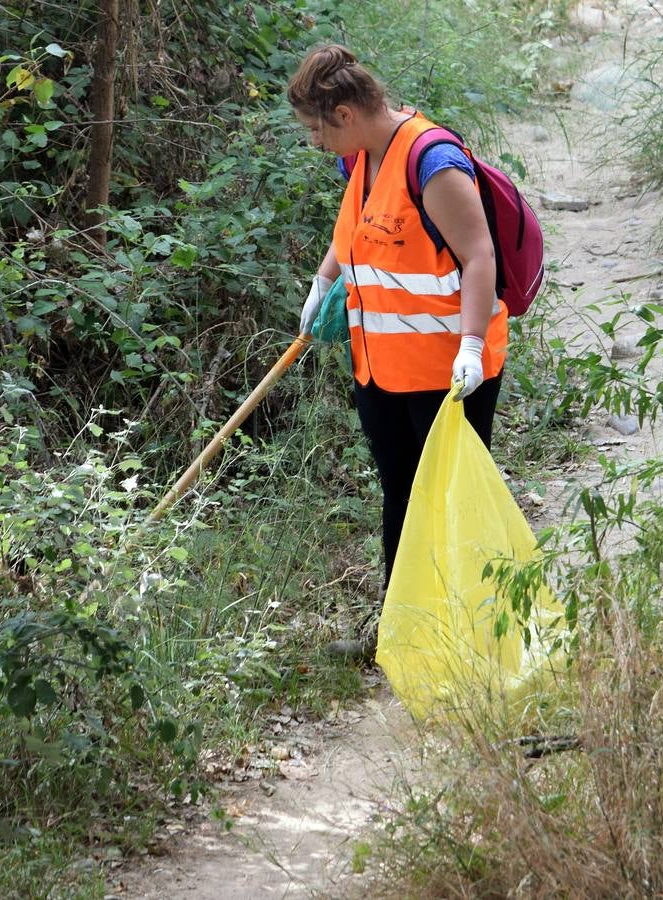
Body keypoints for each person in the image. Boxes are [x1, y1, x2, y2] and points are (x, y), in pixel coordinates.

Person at [287, 45, 508, 635]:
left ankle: (476, 630)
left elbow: (480, 257)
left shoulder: (432, 162)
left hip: (448, 371)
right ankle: (404, 629)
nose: (315, 143)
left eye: (316, 129)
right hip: (380, 367)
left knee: (451, 502)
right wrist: (324, 279)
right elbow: (357, 227)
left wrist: (469, 348)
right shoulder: (362, 157)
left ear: (344, 114)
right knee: (401, 495)